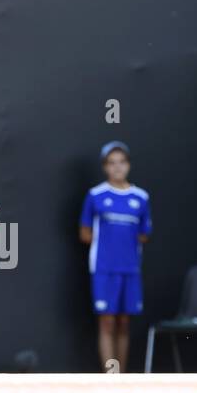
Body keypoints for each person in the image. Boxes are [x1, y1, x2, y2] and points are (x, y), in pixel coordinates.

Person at [79, 141, 151, 371]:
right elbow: (85, 234)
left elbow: (144, 234)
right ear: (105, 167)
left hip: (130, 269)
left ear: (128, 165)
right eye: (112, 163)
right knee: (107, 322)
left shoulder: (141, 197)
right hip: (104, 269)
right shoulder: (96, 196)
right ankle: (111, 378)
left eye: (121, 162)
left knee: (124, 322)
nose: (117, 167)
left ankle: (123, 380)